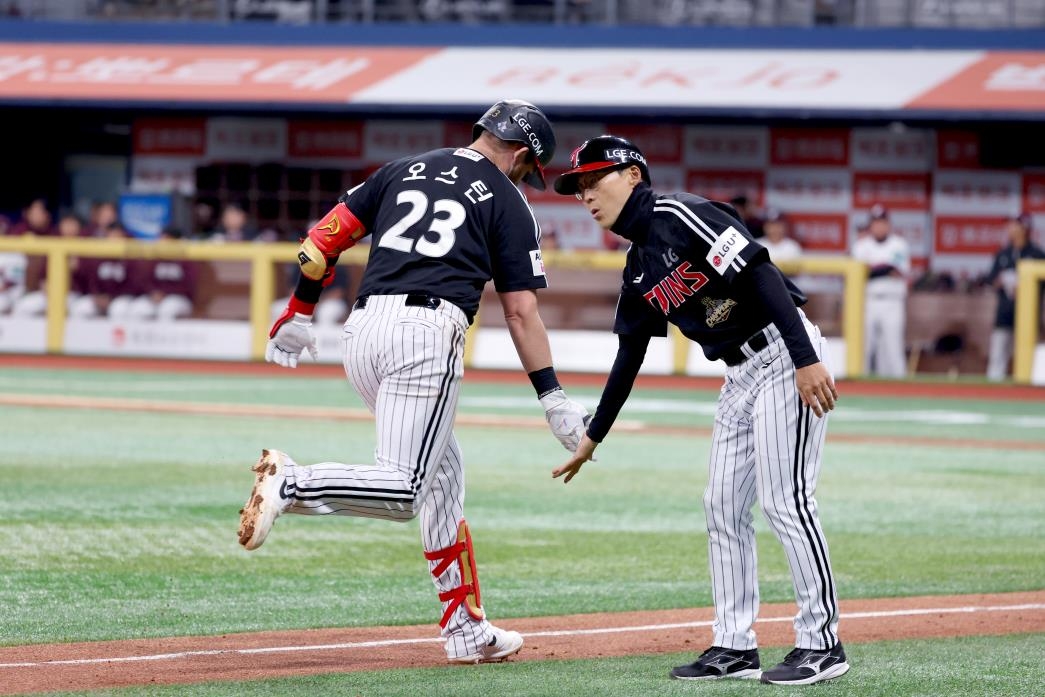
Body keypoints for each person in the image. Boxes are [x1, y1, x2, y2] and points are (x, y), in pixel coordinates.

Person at [237, 99, 591, 665]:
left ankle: (466, 630)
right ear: (521, 153)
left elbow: (319, 243)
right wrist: (553, 398)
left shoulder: (401, 168)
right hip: (426, 331)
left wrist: (300, 311)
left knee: (443, 477)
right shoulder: (508, 200)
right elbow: (520, 312)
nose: (525, 175)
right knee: (404, 491)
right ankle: (293, 482)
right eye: (529, 166)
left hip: (362, 330)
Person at [549, 135, 848, 686]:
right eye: (579, 187)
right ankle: (735, 645)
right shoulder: (638, 265)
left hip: (783, 353)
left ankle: (822, 643)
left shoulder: (680, 214)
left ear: (633, 175)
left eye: (594, 180)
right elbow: (630, 356)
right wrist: (593, 436)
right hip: (739, 372)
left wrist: (806, 359)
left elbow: (759, 271)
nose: (585, 195)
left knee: (786, 500)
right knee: (721, 506)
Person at [852, 204, 910, 378]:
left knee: (893, 349)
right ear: (870, 225)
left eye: (882, 222)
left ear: (888, 224)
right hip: (868, 301)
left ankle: (901, 388)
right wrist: (883, 268)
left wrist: (873, 270)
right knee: (864, 348)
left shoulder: (899, 244)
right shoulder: (861, 246)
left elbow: (898, 271)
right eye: (875, 222)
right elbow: (862, 274)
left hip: (892, 302)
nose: (879, 226)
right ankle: (860, 387)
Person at [985, 213, 1045, 381]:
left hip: (1028, 314)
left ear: (1024, 228)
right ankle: (993, 390)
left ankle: (1028, 391)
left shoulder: (1037, 254)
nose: (1010, 229)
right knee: (998, 355)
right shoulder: (1003, 253)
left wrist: (1025, 285)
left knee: (1028, 357)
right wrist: (1002, 281)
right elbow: (990, 279)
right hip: (1005, 312)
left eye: (1014, 225)